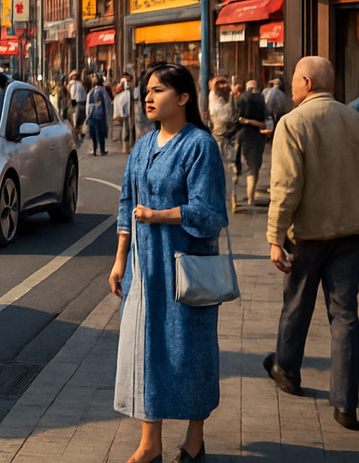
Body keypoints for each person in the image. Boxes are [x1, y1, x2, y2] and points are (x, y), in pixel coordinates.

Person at [110, 62, 227, 463]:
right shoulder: (142, 146)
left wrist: (161, 216)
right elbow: (127, 202)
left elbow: (211, 213)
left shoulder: (200, 145)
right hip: (145, 270)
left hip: (184, 268)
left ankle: (195, 440)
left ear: (183, 97)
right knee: (146, 349)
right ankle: (150, 444)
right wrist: (120, 258)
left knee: (189, 352)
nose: (147, 97)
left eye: (157, 90)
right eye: (146, 90)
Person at [263, 56, 359, 432]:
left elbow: (286, 187)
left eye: (294, 80)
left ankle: (287, 369)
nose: (292, 86)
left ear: (307, 83)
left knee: (297, 303)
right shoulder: (356, 120)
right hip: (349, 235)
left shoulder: (293, 122)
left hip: (309, 236)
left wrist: (274, 236)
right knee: (345, 316)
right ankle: (345, 404)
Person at [234, 81, 268, 210]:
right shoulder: (261, 99)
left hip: (241, 136)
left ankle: (234, 196)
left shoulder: (240, 99)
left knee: (238, 167)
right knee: (254, 168)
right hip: (257, 137)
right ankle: (251, 197)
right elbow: (266, 118)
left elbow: (236, 117)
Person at [87, 76, 112, 156]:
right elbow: (107, 101)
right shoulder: (103, 90)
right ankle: (102, 150)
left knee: (93, 134)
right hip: (100, 115)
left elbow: (87, 104)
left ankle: (94, 150)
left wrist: (87, 115)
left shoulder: (91, 91)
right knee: (101, 133)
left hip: (91, 115)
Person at [68, 70, 87, 143]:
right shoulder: (72, 84)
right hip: (75, 103)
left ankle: (79, 134)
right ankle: (76, 135)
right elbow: (72, 95)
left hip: (81, 103)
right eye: (74, 75)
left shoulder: (79, 84)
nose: (75, 76)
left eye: (76, 75)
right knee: (75, 119)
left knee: (80, 120)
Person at [114, 77, 132, 152]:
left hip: (123, 114)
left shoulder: (120, 95)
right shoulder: (125, 94)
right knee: (125, 129)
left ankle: (124, 146)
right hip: (125, 115)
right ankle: (125, 146)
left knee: (124, 129)